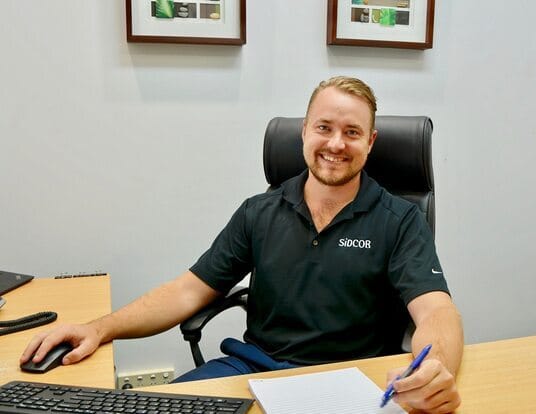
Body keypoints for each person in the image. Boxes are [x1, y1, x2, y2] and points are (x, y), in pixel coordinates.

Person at [21, 76, 463, 413]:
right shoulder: (259, 211)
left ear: (370, 142)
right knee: (160, 407)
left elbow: (436, 312)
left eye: (351, 132)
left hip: (351, 380)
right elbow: (187, 291)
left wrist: (433, 367)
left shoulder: (400, 219)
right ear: (304, 131)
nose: (335, 143)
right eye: (324, 127)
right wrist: (99, 329)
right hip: (255, 369)